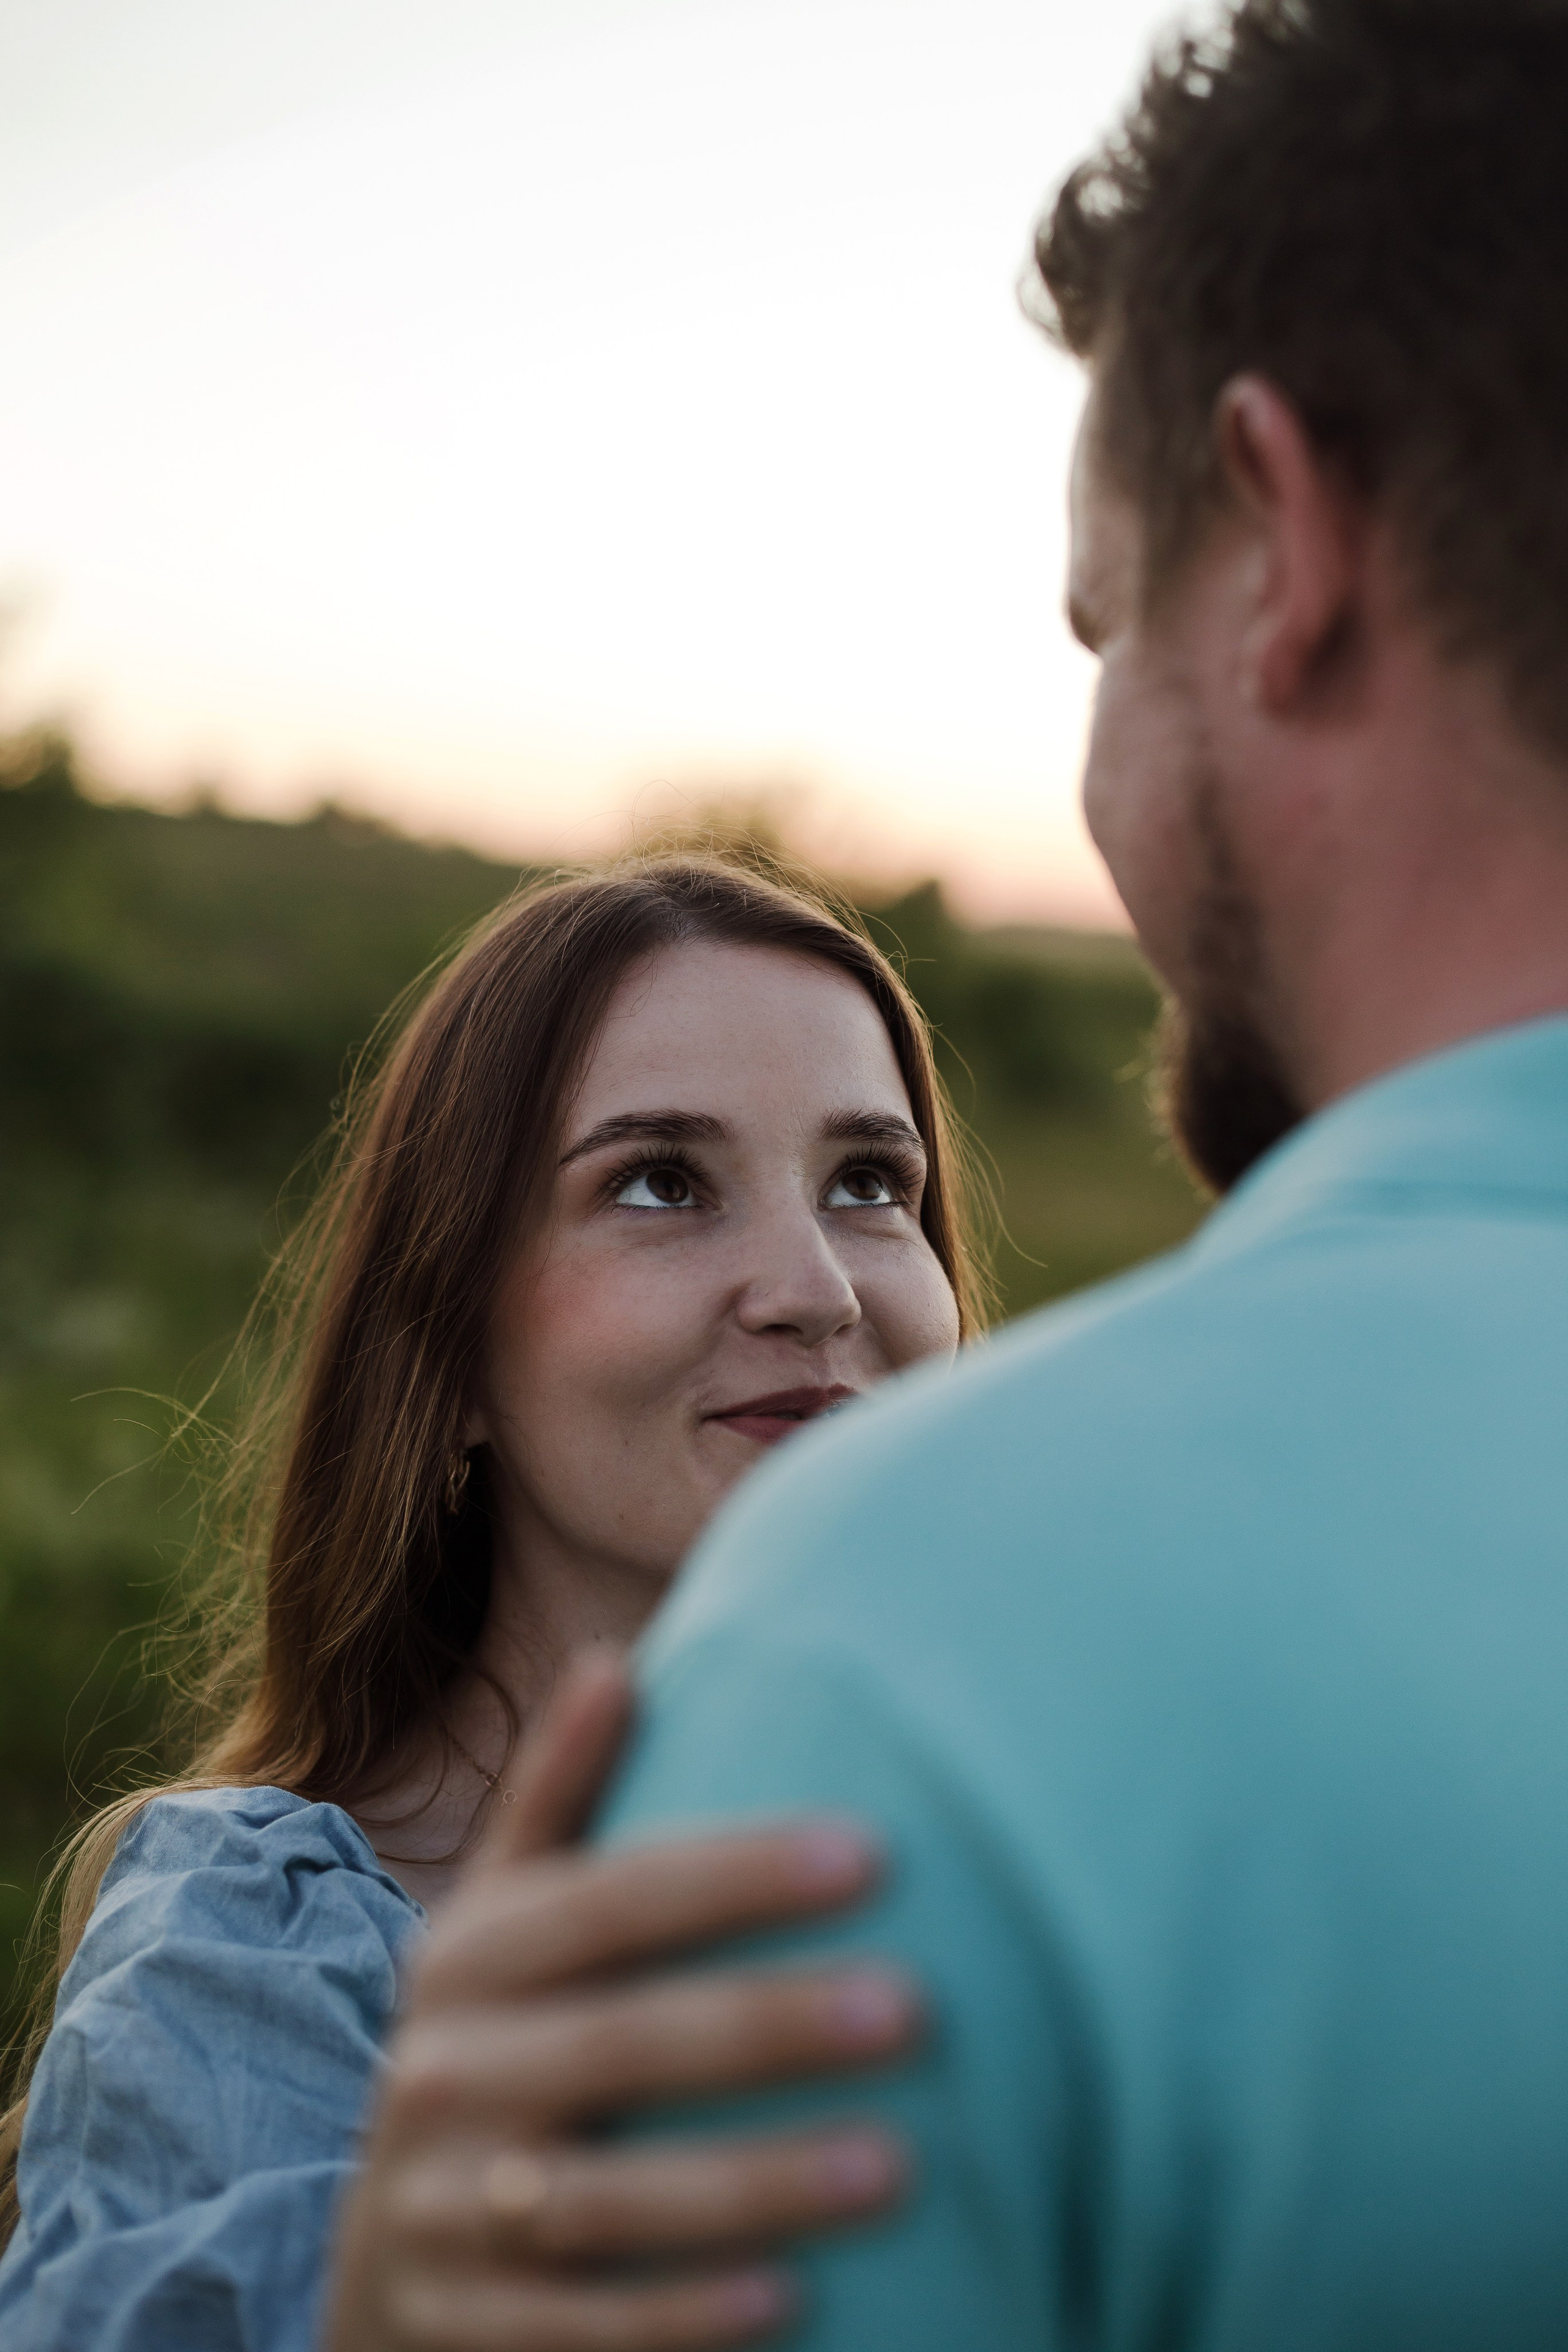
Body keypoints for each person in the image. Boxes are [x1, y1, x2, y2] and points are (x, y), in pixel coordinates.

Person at [556, 1, 1568, 2344]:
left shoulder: (899, 1658)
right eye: (652, 1183)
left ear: (1282, 542)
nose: (806, 1282)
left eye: (1106, 622)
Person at [0, 855, 984, 2350]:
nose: (816, 1288)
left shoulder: (1041, 1868)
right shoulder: (263, 1947)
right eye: (659, 1180)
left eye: (868, 1184)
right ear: (449, 1353)